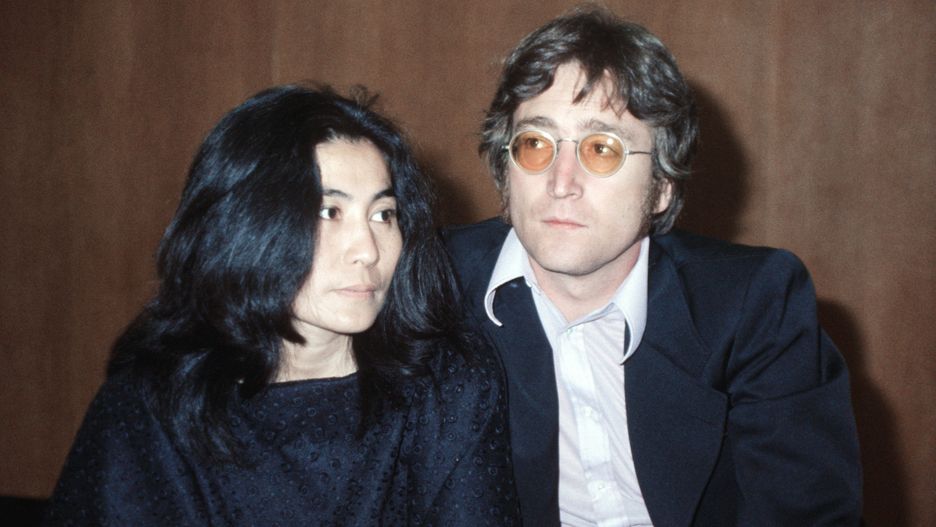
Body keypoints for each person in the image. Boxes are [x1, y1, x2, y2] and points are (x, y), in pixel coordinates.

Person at [444, 7, 862, 526]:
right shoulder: (433, 284)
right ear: (505, 169)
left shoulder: (754, 304)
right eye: (535, 144)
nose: (560, 181)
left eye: (602, 149)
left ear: (662, 186)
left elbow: (805, 514)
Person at [44, 86, 519, 526]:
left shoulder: (447, 384)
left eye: (383, 214)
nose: (367, 250)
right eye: (329, 211)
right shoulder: (151, 406)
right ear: (248, 224)